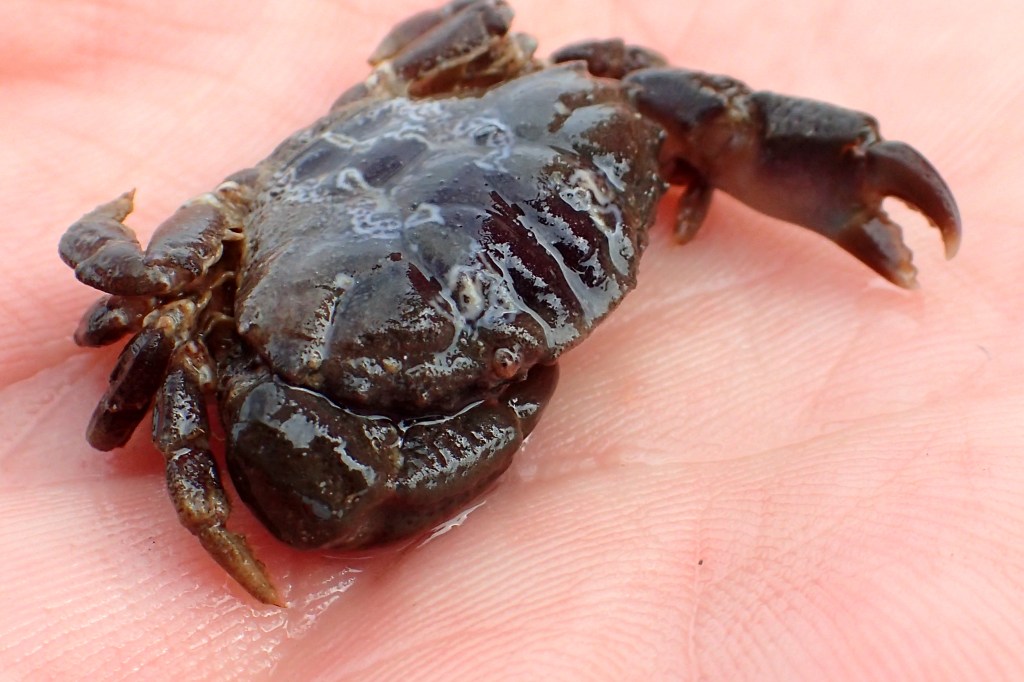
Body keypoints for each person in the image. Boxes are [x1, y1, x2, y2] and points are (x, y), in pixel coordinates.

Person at [2, 0, 1020, 678]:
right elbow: (304, 492)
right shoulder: (234, 316)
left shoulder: (575, 97)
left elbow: (695, 110)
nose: (527, 367)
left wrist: (710, 149)